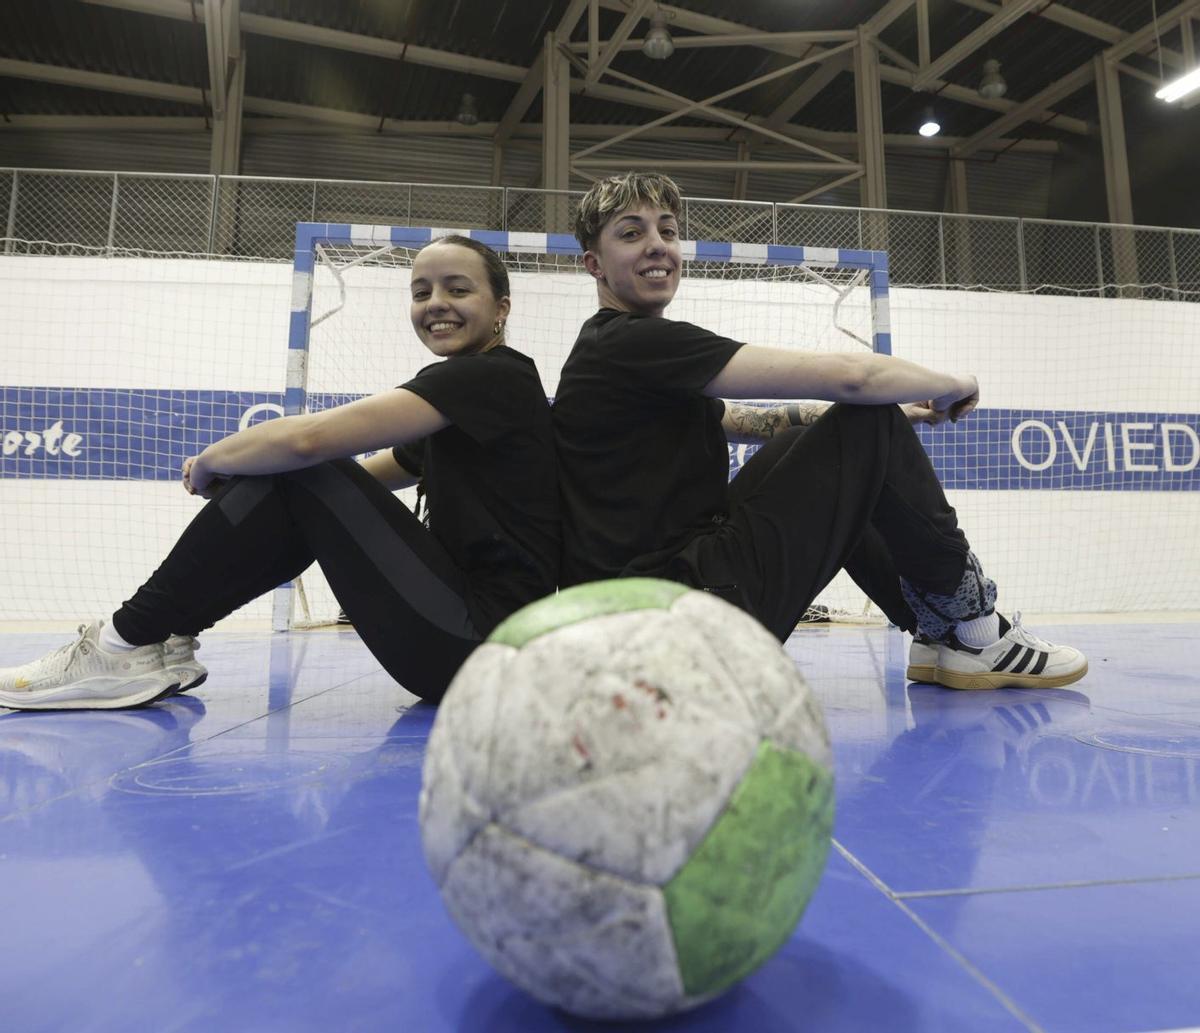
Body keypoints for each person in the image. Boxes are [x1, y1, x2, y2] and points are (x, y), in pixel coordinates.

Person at [552, 171, 1086, 691]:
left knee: (828, 436)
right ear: (593, 264)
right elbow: (853, 377)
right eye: (631, 232)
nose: (657, 245)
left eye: (667, 230)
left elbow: (747, 422)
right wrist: (952, 382)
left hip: (649, 618)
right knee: (866, 412)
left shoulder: (618, 356)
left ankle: (933, 634)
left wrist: (894, 421)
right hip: (675, 620)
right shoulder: (631, 342)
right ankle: (974, 630)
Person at [0, 236, 559, 710]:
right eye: (421, 292)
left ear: (501, 307)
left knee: (300, 466)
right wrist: (267, 481)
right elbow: (367, 480)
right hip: (471, 643)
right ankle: (162, 640)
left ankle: (123, 643)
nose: (436, 303)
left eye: (458, 289)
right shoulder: (476, 394)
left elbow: (306, 441)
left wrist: (216, 459)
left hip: (476, 645)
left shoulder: (491, 378)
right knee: (296, 479)